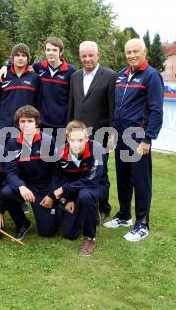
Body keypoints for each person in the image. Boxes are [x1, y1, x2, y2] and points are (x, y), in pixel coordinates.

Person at [104, 38, 164, 242]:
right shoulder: (121, 74)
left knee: (141, 181)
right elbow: (116, 107)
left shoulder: (152, 76)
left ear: (144, 51)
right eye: (128, 52)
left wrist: (148, 139)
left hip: (138, 138)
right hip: (121, 135)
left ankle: (142, 225)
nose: (131, 55)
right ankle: (124, 216)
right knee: (123, 178)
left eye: (135, 51)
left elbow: (156, 110)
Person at [67, 41, 116, 221]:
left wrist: (112, 132)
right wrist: (69, 130)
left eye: (91, 55)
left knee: (101, 172)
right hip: (77, 135)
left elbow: (113, 108)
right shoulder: (75, 76)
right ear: (80, 57)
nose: (87, 59)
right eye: (84, 56)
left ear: (98, 55)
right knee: (79, 169)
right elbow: (71, 106)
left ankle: (103, 207)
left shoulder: (111, 76)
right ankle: (83, 204)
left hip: (99, 133)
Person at [0, 37, 75, 139]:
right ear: (45, 51)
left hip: (61, 123)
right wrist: (5, 67)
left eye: (54, 50)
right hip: (41, 123)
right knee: (43, 154)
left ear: (61, 52)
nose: (51, 53)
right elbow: (20, 64)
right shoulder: (39, 67)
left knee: (59, 154)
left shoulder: (70, 70)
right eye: (48, 50)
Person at [1, 105, 57, 240]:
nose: (26, 125)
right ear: (18, 124)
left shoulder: (48, 141)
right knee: (7, 192)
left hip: (44, 187)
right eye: (22, 121)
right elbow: (10, 171)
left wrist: (51, 195)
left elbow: (57, 172)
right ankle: (22, 223)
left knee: (47, 232)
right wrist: (21, 186)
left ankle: (59, 210)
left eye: (30, 121)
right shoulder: (12, 143)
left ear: (36, 122)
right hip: (25, 186)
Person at [54, 121, 106, 256]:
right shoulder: (61, 152)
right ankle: (90, 213)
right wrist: (68, 199)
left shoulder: (98, 149)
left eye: (80, 140)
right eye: (72, 140)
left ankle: (90, 238)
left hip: (96, 186)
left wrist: (65, 188)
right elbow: (61, 177)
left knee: (86, 195)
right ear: (67, 139)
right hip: (74, 190)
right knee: (69, 235)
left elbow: (91, 180)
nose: (76, 144)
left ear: (87, 139)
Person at [0, 43, 40, 134]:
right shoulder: (2, 76)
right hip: (3, 126)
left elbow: (37, 104)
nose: (20, 58)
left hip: (26, 127)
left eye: (23, 55)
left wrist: (37, 125)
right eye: (17, 55)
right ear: (12, 58)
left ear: (27, 59)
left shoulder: (35, 78)